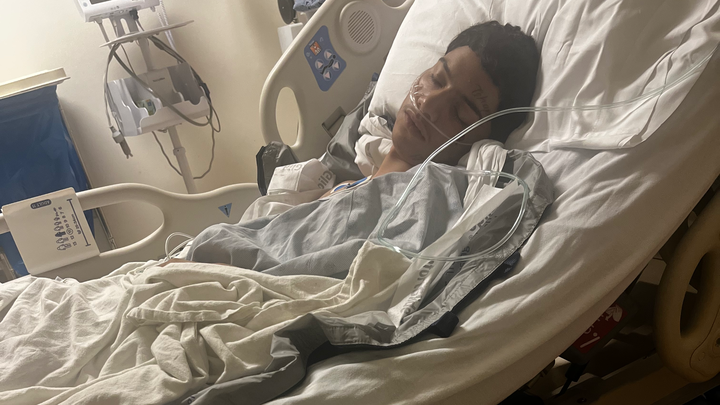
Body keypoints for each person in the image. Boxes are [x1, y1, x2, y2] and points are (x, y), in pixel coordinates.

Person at [326, 21, 539, 196]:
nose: (427, 104)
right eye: (436, 79)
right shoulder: (348, 187)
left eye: (460, 113)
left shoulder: (420, 208)